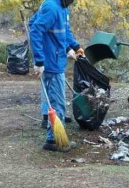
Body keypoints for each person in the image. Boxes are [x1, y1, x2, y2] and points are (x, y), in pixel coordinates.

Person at [29, 0, 83, 151]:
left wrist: (72, 47)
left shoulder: (63, 8)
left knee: (55, 100)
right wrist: (39, 60)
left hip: (57, 59)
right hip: (51, 64)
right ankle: (53, 140)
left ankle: (54, 137)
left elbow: (62, 32)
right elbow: (35, 29)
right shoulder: (52, 8)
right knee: (58, 102)